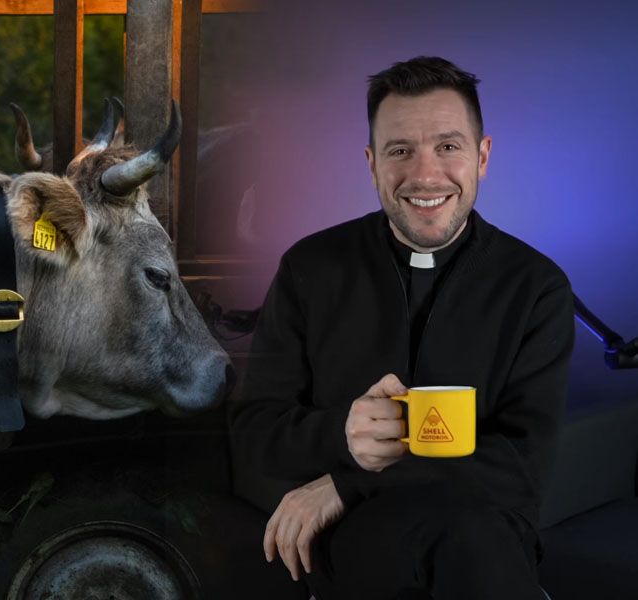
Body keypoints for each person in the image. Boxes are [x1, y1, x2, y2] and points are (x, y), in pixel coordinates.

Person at [228, 56, 575, 600]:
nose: (425, 176)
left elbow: (522, 466)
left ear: (482, 157)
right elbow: (254, 433)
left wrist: (350, 483)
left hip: (482, 533)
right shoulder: (310, 268)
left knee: (469, 531)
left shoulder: (537, 286)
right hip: (351, 542)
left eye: (448, 146)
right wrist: (340, 434)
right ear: (372, 164)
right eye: (400, 151)